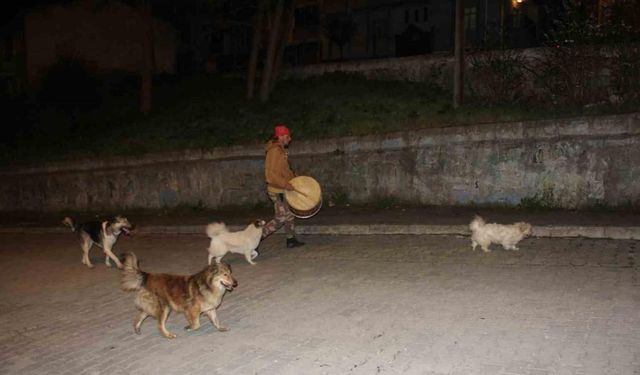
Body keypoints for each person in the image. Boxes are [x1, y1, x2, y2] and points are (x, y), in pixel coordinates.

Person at [262, 124, 305, 248]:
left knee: (290, 213)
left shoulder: (280, 150)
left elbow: (284, 170)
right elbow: (271, 175)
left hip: (282, 188)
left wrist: (294, 178)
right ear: (280, 136)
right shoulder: (275, 151)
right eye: (287, 136)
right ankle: (256, 238)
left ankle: (290, 239)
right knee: (281, 218)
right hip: (278, 190)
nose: (289, 139)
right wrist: (286, 184)